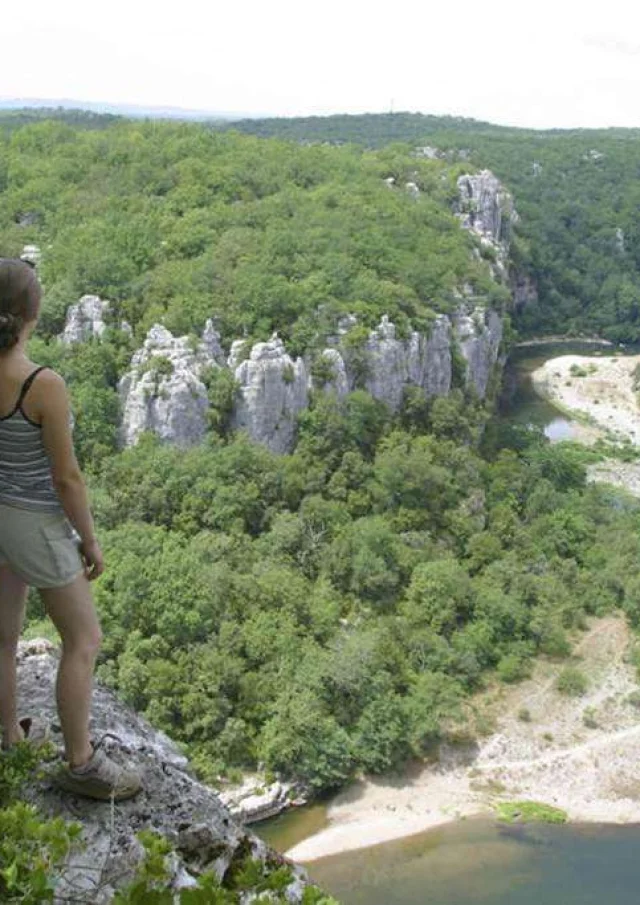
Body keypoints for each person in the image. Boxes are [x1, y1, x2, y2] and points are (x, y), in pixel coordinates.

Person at [0, 258, 141, 801]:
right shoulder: (42, 385)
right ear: (31, 314)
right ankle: (81, 763)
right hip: (35, 522)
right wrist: (90, 539)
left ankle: (11, 738)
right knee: (83, 640)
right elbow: (67, 478)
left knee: (3, 638)